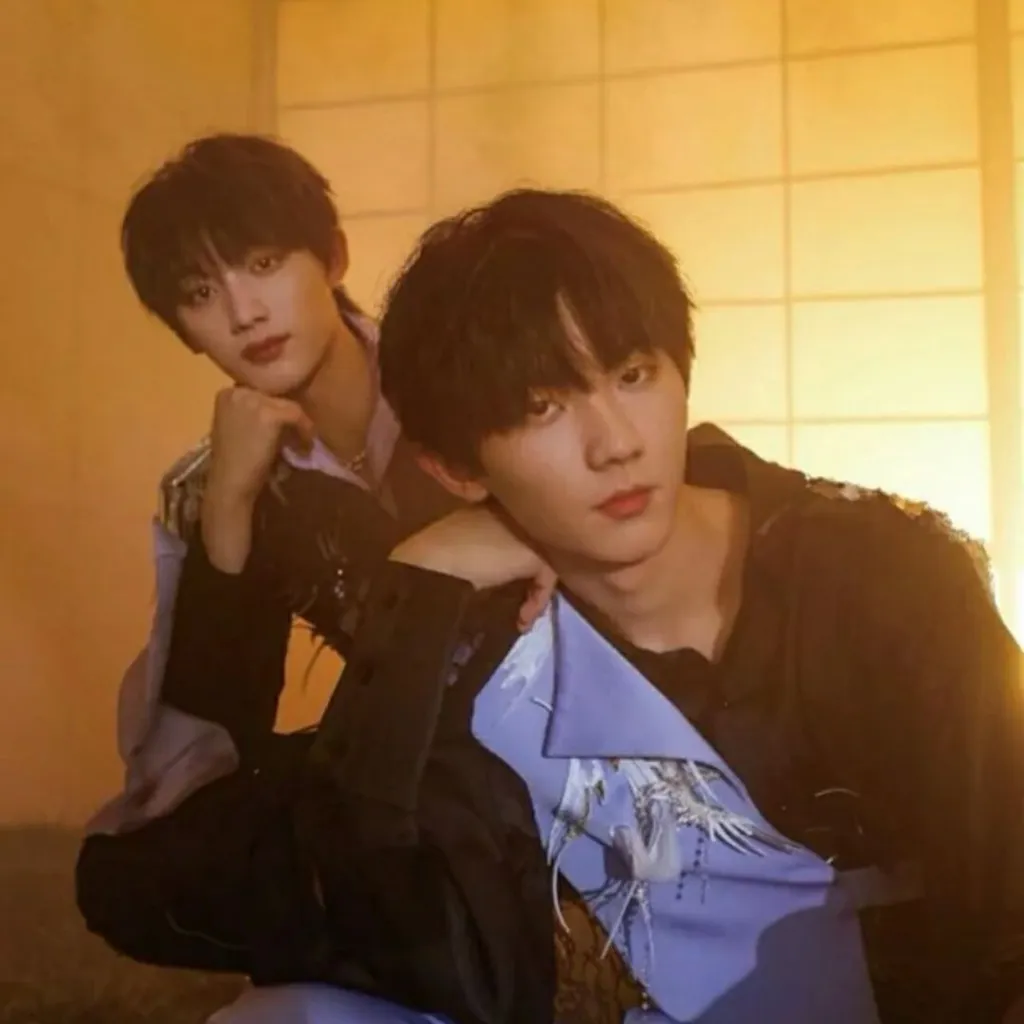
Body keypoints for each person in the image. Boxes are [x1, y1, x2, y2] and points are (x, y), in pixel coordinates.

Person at [274, 187, 1024, 1023]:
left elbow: (1008, 873)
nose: (617, 443)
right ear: (457, 468)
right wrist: (417, 582)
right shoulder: (487, 646)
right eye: (542, 408)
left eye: (634, 376)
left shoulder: (878, 568)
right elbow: (371, 910)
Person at [75, 132, 461, 981]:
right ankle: (435, 938)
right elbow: (209, 743)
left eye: (262, 263)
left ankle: (439, 943)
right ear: (182, 328)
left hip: (556, 721)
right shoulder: (216, 476)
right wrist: (231, 507)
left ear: (333, 257)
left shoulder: (452, 374)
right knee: (126, 871)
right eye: (200, 292)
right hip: (407, 760)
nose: (243, 311)